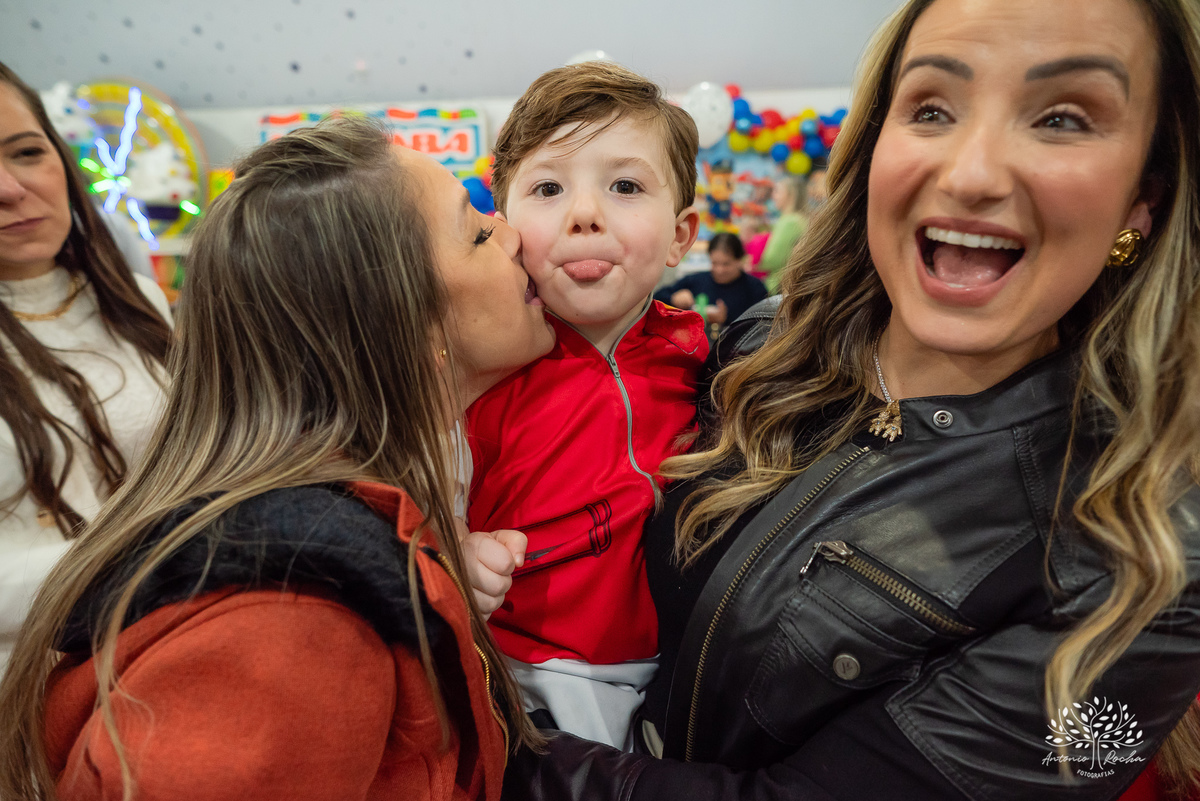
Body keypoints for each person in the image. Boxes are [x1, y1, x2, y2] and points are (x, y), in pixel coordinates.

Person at [495, 0, 1200, 798]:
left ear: (1146, 195)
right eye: (932, 107)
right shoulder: (759, 348)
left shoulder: (1138, 560)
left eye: (1063, 118)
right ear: (874, 147)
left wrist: (482, 740)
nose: (971, 172)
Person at [0, 116, 555, 800]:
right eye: (476, 231)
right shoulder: (288, 622)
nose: (515, 234)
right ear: (403, 322)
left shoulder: (352, 520)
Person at [464, 62, 706, 750]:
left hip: (682, 669)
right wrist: (453, 544)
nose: (585, 212)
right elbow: (408, 485)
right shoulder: (487, 366)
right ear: (504, 227)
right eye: (547, 187)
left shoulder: (698, 356)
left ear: (682, 234)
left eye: (625, 185)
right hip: (529, 669)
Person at [0, 61, 172, 679]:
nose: (11, 188)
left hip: (164, 657)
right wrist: (159, 559)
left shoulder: (134, 300)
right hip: (28, 699)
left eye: (24, 151)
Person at [654, 232, 768, 338]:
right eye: (714, 263)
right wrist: (673, 299)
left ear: (740, 260)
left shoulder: (754, 288)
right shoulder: (696, 281)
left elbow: (765, 326)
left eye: (726, 264)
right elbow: (656, 298)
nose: (719, 270)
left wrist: (726, 322)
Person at [757, 174, 809, 294]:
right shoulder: (800, 219)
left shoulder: (789, 222)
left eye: (777, 191)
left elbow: (772, 259)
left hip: (778, 286)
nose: (773, 196)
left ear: (791, 195)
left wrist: (753, 261)